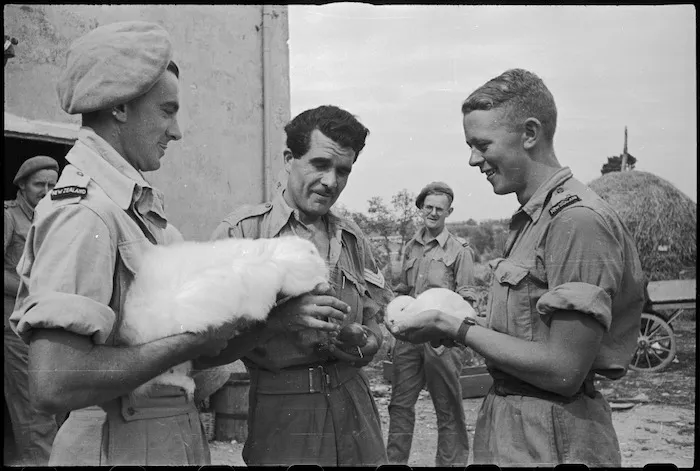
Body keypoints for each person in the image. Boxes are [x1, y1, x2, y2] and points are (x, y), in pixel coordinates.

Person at [8, 21, 249, 466]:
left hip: (163, 436)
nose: (177, 131)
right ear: (120, 108)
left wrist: (269, 320)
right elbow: (53, 382)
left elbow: (190, 360)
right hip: (117, 444)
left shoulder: (136, 213)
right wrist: (192, 340)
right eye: (167, 110)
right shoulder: (85, 212)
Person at [388, 68, 645, 467]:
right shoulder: (533, 219)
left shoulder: (576, 221)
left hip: (553, 437)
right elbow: (526, 332)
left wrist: (456, 327)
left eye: (481, 144)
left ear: (529, 133)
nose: (473, 159)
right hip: (514, 423)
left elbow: (563, 370)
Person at [207, 105, 393, 466]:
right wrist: (278, 319)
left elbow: (376, 322)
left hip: (356, 409)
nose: (331, 181)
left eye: (343, 171)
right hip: (285, 416)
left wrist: (367, 343)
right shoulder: (243, 234)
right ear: (289, 158)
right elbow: (206, 353)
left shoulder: (353, 238)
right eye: (320, 164)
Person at [386, 181, 476, 466]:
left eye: (440, 208)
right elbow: (402, 291)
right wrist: (393, 330)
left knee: (447, 409)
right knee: (399, 406)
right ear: (421, 208)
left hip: (442, 343)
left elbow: (466, 302)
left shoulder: (460, 251)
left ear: (449, 211)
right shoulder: (411, 247)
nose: (433, 213)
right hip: (409, 341)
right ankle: (395, 462)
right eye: (429, 207)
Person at [4, 156, 60, 465]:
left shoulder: (52, 216)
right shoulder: (9, 217)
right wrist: (33, 291)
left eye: (53, 184)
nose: (47, 190)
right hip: (15, 328)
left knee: (51, 402)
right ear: (22, 185)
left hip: (46, 325)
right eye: (40, 184)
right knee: (31, 408)